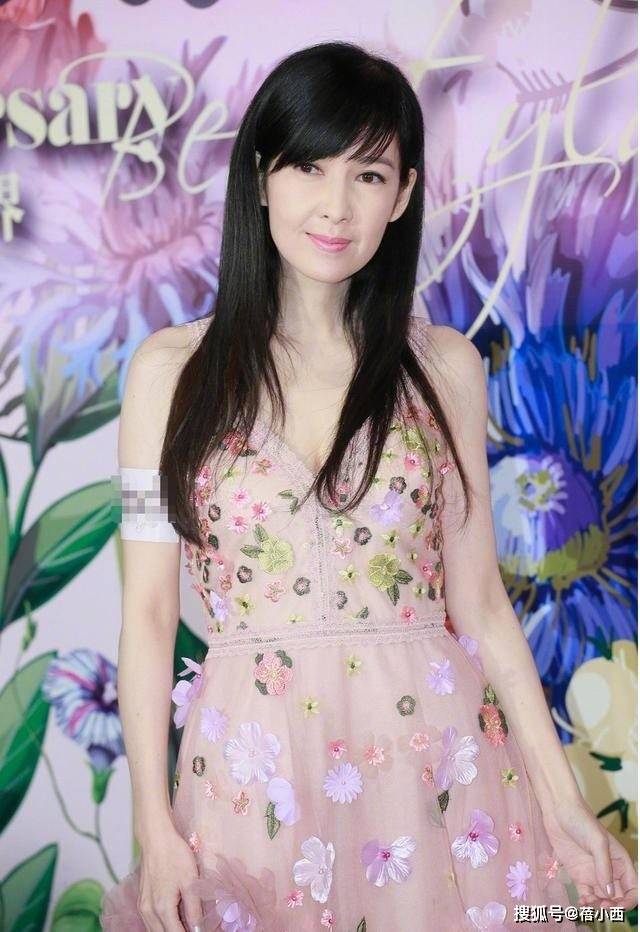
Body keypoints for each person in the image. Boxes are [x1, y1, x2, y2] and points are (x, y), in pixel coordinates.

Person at [100, 40, 637, 932]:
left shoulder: (446, 368)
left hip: (437, 776)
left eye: (370, 174)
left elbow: (481, 605)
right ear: (261, 178)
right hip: (254, 778)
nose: (336, 206)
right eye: (309, 167)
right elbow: (149, 616)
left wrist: (563, 801)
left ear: (405, 193)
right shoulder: (168, 373)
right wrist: (152, 824)